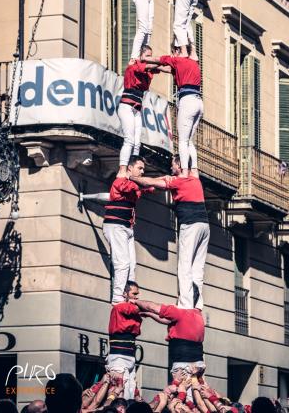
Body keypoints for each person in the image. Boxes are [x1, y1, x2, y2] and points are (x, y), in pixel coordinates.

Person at [130, 156, 209, 310]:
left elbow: (150, 182)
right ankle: (197, 303)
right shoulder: (194, 178)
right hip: (204, 226)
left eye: (172, 165)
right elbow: (162, 179)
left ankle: (185, 304)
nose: (170, 167)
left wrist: (131, 177)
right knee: (197, 268)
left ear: (179, 165)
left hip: (190, 224)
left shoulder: (178, 181)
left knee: (184, 265)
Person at [141, 45, 202, 176]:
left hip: (187, 101)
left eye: (173, 52)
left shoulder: (177, 60)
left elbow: (159, 60)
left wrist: (144, 59)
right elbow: (165, 68)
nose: (172, 55)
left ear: (176, 51)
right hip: (198, 102)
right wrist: (153, 66)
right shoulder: (193, 64)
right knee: (189, 141)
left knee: (182, 141)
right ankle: (195, 170)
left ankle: (185, 171)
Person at [103, 157, 154, 304]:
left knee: (132, 264)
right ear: (130, 168)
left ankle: (129, 292)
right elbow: (133, 187)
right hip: (115, 226)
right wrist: (146, 184)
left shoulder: (133, 183)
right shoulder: (120, 181)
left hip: (127, 228)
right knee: (123, 263)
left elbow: (148, 188)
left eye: (143, 169)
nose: (142, 171)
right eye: (140, 168)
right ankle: (117, 298)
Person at [118, 45, 167, 174]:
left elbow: (162, 68)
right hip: (127, 107)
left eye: (151, 56)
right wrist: (162, 60)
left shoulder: (147, 70)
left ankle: (133, 168)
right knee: (129, 139)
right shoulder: (135, 66)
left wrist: (174, 64)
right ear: (140, 56)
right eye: (148, 56)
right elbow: (153, 65)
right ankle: (123, 169)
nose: (150, 58)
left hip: (136, 109)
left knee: (137, 142)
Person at [133, 297, 205, 377]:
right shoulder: (197, 314)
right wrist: (149, 314)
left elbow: (152, 307)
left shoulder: (180, 312)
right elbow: (168, 320)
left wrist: (136, 301)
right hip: (197, 363)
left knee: (182, 387)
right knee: (194, 387)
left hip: (184, 363)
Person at [106, 281, 143, 400]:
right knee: (121, 393)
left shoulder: (132, 309)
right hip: (119, 357)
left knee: (130, 391)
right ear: (124, 294)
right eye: (134, 293)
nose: (137, 296)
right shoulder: (120, 307)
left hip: (129, 356)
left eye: (137, 294)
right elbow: (139, 309)